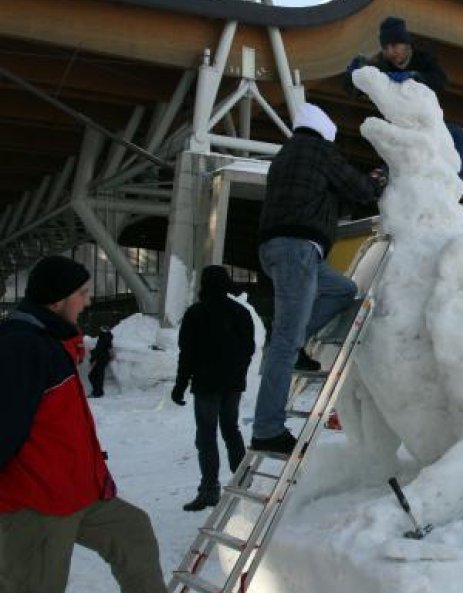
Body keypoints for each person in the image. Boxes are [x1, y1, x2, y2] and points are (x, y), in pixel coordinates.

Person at [0, 255, 166, 593]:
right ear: (57, 298)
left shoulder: (53, 339)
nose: (88, 301)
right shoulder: (20, 345)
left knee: (133, 533)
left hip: (80, 493)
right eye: (82, 293)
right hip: (36, 503)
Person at [252, 102, 386, 455]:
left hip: (280, 250)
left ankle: (296, 345)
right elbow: (357, 189)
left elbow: (321, 198)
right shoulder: (319, 152)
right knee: (285, 339)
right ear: (325, 132)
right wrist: (375, 181)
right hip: (298, 250)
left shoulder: (286, 156)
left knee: (343, 290)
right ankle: (267, 429)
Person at [171, 266, 255, 512]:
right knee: (231, 429)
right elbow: (249, 348)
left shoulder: (195, 313)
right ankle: (242, 481)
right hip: (232, 385)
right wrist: (238, 371)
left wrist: (180, 385)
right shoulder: (240, 312)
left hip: (206, 385)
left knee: (206, 436)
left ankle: (209, 491)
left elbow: (186, 354)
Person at [344, 16, 463, 178]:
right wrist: (352, 75)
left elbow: (440, 80)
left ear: (406, 43)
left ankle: (455, 184)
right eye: (385, 48)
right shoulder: (381, 65)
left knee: (454, 133)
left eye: (394, 46)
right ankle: (386, 175)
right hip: (400, 125)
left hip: (425, 123)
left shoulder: (423, 59)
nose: (390, 52)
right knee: (398, 145)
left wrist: (417, 76)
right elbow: (354, 90)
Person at [88, 326, 114, 398]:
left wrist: (93, 356)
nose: (101, 329)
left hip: (102, 359)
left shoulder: (106, 337)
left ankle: (98, 392)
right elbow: (99, 348)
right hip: (101, 358)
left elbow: (107, 347)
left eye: (103, 328)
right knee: (94, 376)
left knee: (96, 376)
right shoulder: (104, 336)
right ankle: (97, 391)